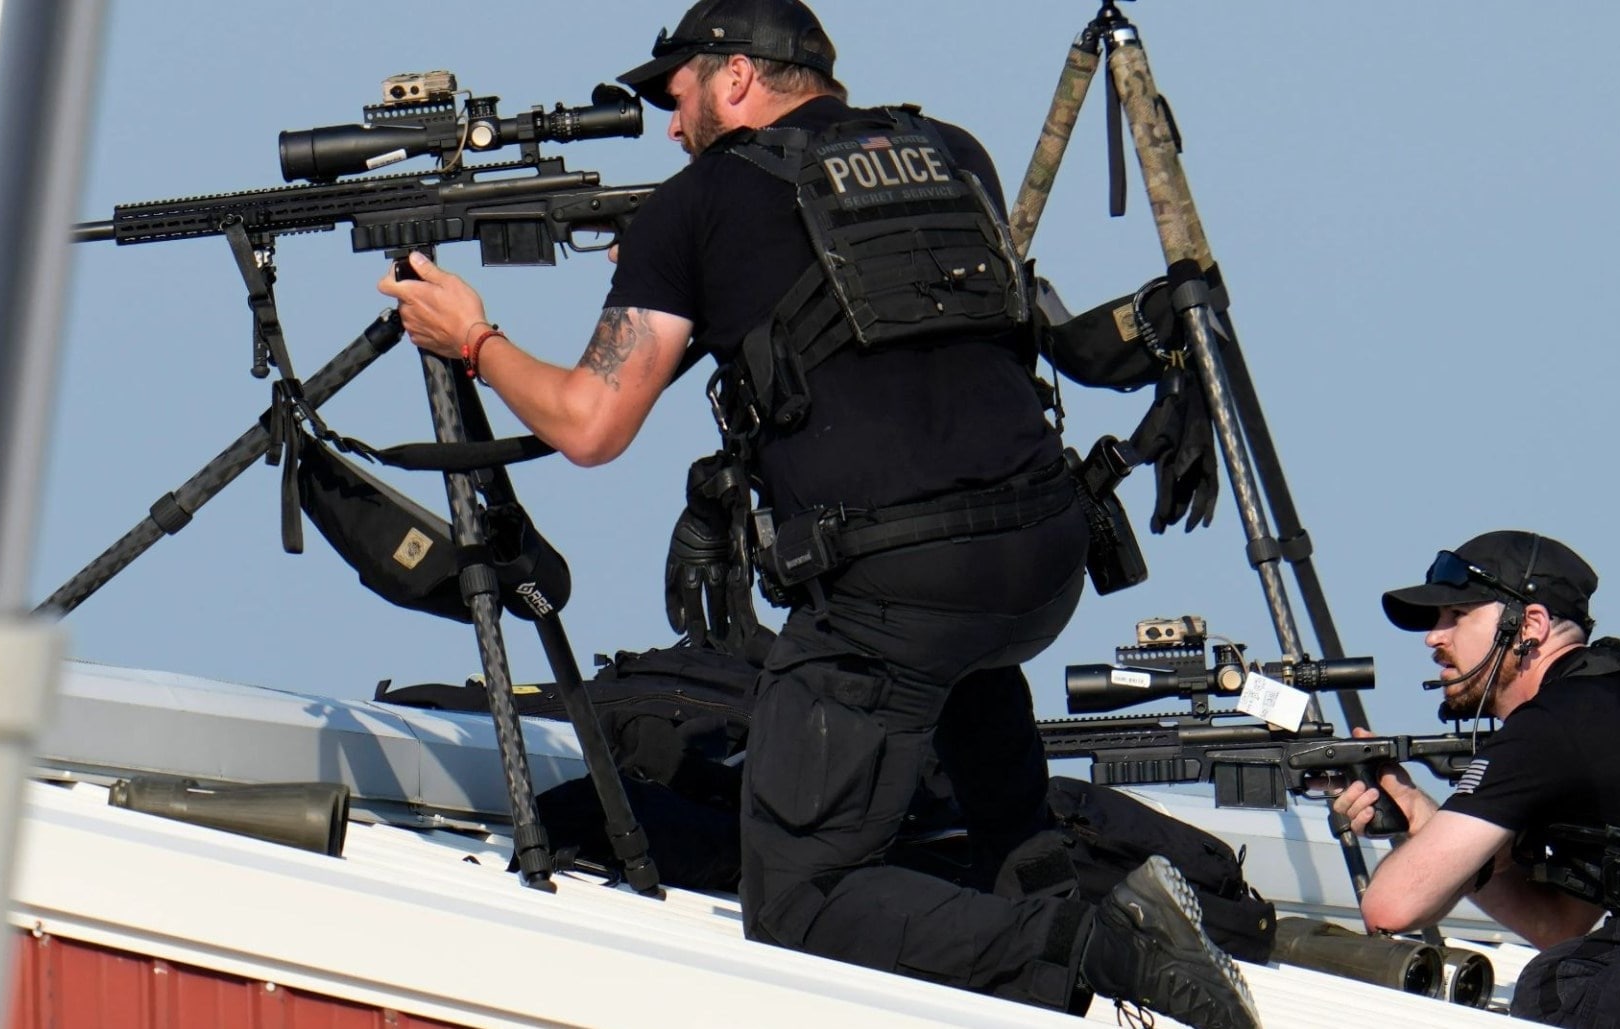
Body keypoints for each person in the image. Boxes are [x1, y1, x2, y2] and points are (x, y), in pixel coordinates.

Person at [378, 2, 1257, 1025]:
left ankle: (1096, 939)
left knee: (800, 901)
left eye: (678, 98)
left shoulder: (696, 206)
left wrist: (472, 338)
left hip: (896, 589)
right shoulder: (949, 151)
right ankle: (1073, 900)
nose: (671, 127)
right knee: (989, 781)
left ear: (737, 76)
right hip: (1040, 561)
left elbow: (590, 422)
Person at [1335, 530, 1620, 1025]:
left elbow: (1389, 908)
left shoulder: (1551, 725)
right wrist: (1426, 820)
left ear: (1530, 624)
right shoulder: (1615, 693)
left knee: (1564, 986)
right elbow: (1559, 924)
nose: (1434, 638)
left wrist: (1432, 835)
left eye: (1456, 616)